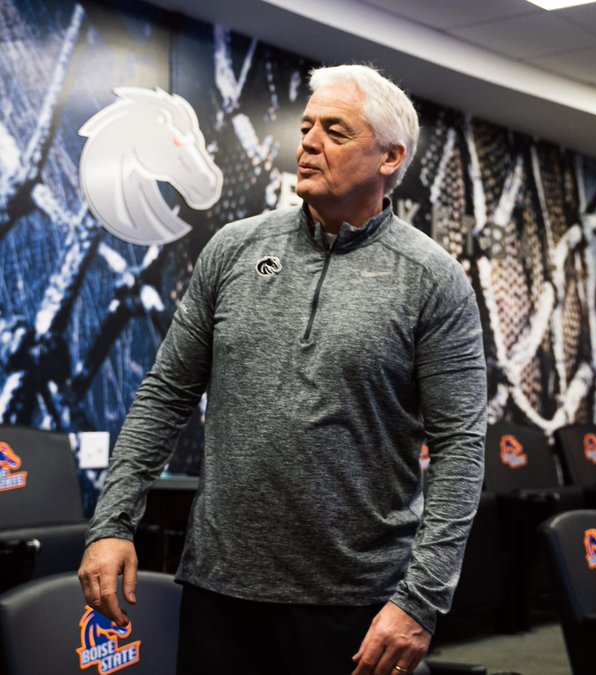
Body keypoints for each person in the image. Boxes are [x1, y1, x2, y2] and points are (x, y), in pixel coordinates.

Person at [77, 64, 487, 675]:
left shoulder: (431, 279)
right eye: (306, 127)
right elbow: (165, 394)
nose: (309, 142)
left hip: (355, 606)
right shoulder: (234, 249)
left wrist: (421, 602)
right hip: (220, 590)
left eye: (336, 131)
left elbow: (460, 446)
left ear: (390, 156)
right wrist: (112, 522)